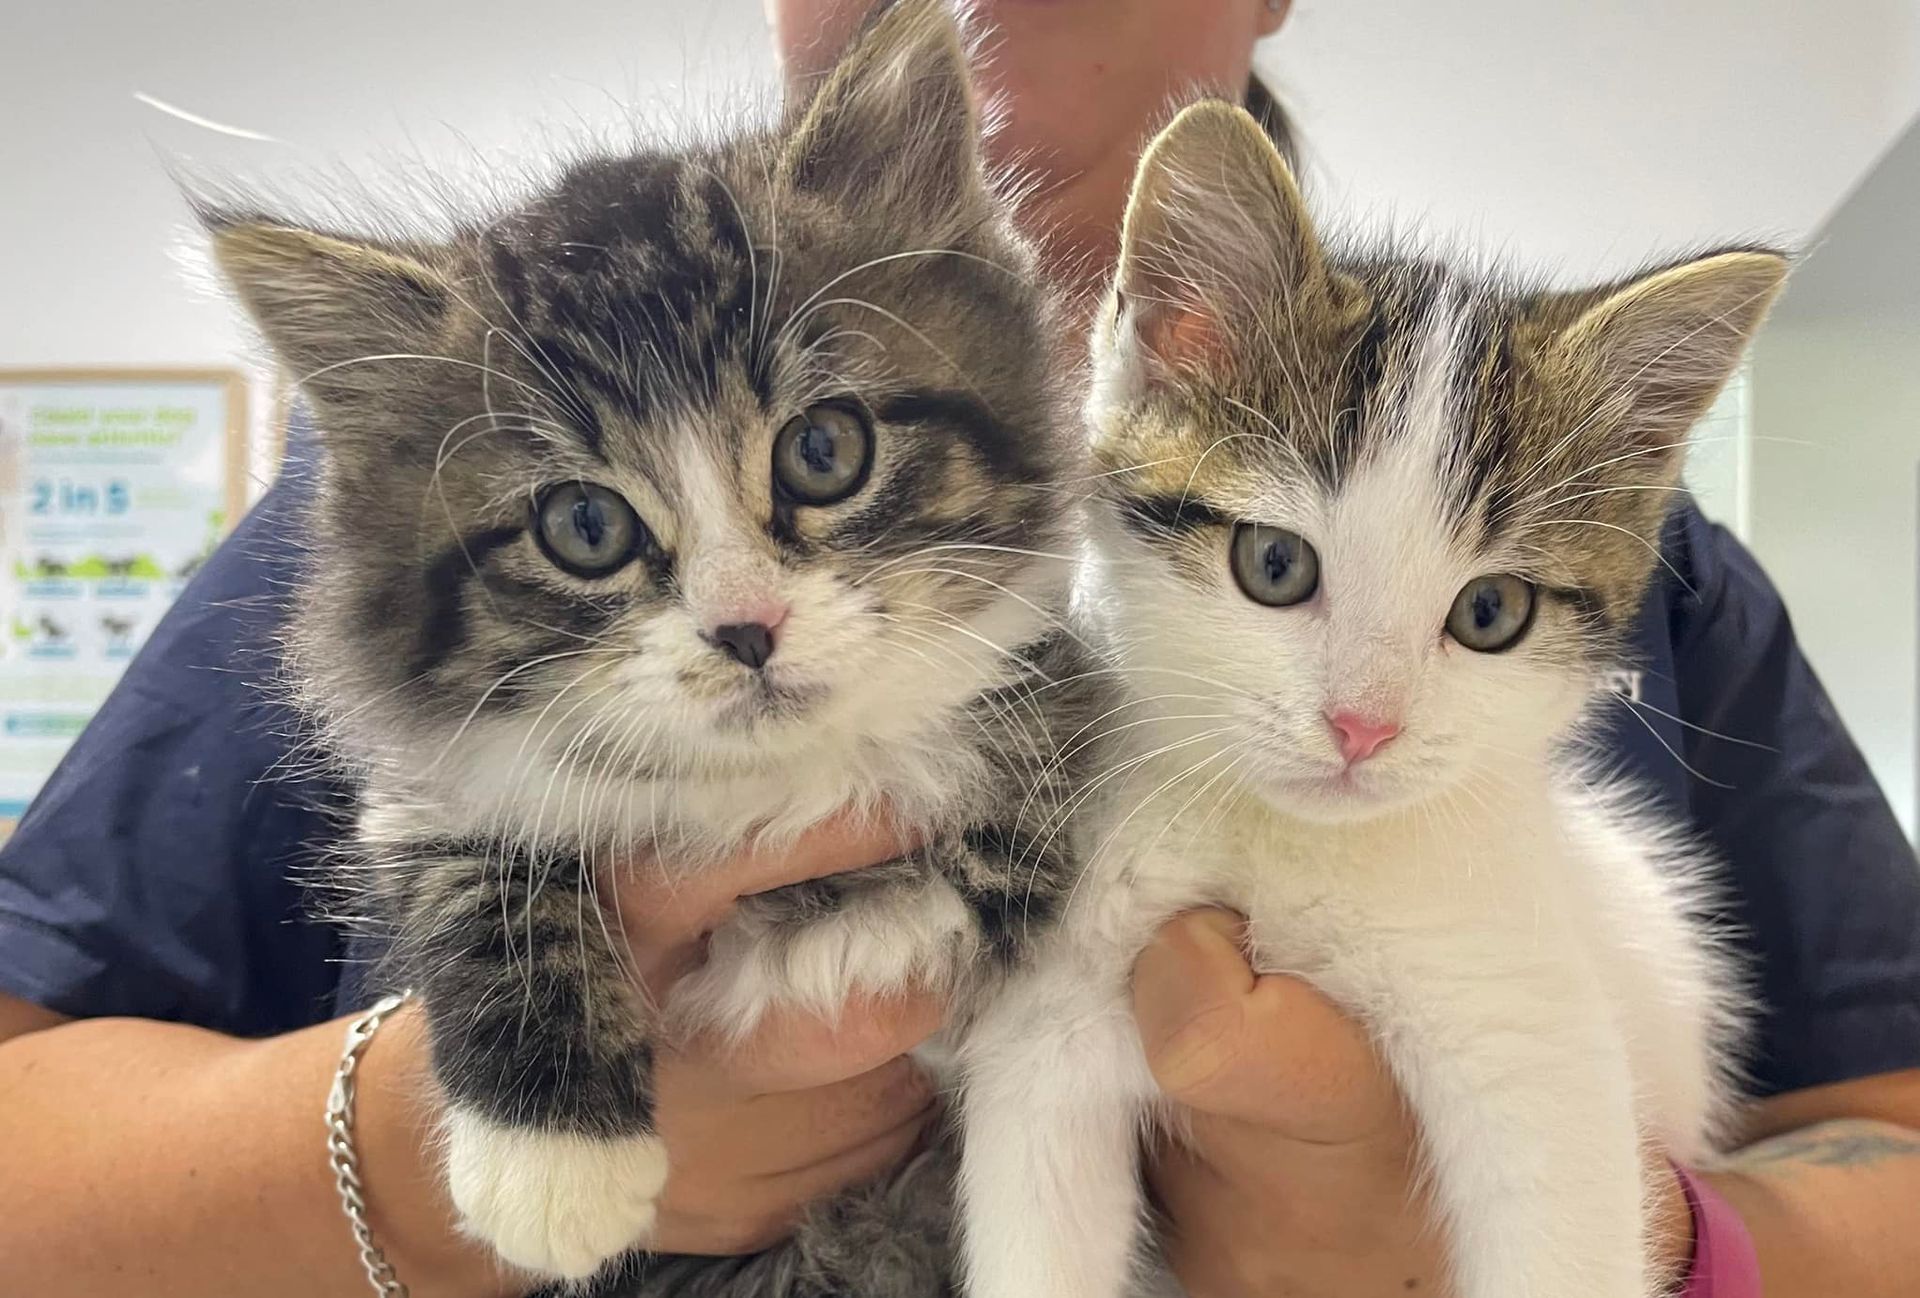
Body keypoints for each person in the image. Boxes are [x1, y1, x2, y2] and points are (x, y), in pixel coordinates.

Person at [2, 1, 1916, 1295]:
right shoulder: (440, 493)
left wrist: (1593, 1234)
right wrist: (447, 1150)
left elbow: (1883, 1149)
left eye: (830, 456)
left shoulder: (1612, 560)